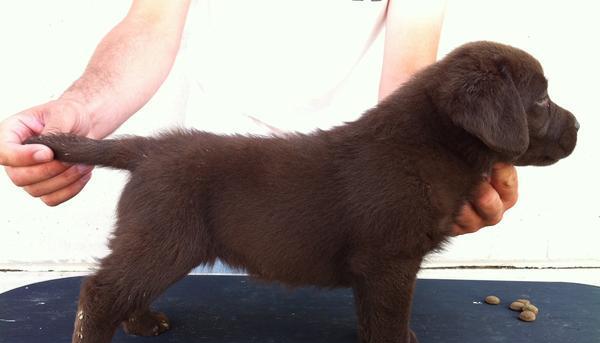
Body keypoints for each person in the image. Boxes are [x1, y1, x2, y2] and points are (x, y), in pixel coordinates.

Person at [0, 0, 517, 236]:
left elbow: (408, 73)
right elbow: (151, 23)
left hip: (343, 205)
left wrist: (441, 175)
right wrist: (80, 110)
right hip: (210, 191)